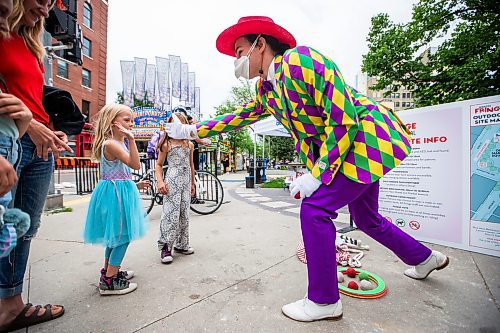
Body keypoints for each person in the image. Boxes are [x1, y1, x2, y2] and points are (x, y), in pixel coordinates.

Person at [166, 16, 449, 322]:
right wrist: (193, 131)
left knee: (314, 210)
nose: (236, 60)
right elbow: (240, 116)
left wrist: (318, 174)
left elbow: (343, 118)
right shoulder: (266, 89)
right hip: (349, 149)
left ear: (260, 45)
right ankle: (425, 258)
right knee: (367, 218)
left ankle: (325, 300)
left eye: (239, 51)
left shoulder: (302, 60)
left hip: (366, 141)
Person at [0, 0, 74, 331]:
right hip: (11, 139)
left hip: (42, 145)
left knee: (25, 227)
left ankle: (11, 304)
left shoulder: (31, 45)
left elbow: (29, 97)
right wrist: (30, 125)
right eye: (42, 1)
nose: (46, 11)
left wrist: (47, 127)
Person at [83, 104, 148, 295]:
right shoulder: (111, 143)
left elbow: (117, 174)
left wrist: (135, 186)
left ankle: (110, 271)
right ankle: (110, 280)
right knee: (122, 237)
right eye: (127, 120)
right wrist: (131, 138)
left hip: (117, 192)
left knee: (115, 236)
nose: (131, 124)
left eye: (132, 120)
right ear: (113, 123)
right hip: (116, 196)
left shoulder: (114, 143)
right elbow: (135, 164)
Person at [155, 112, 196, 264]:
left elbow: (191, 165)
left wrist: (192, 183)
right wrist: (160, 182)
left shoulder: (189, 144)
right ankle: (166, 246)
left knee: (184, 212)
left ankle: (182, 244)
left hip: (185, 180)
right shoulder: (166, 144)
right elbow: (158, 165)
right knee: (170, 213)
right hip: (172, 179)